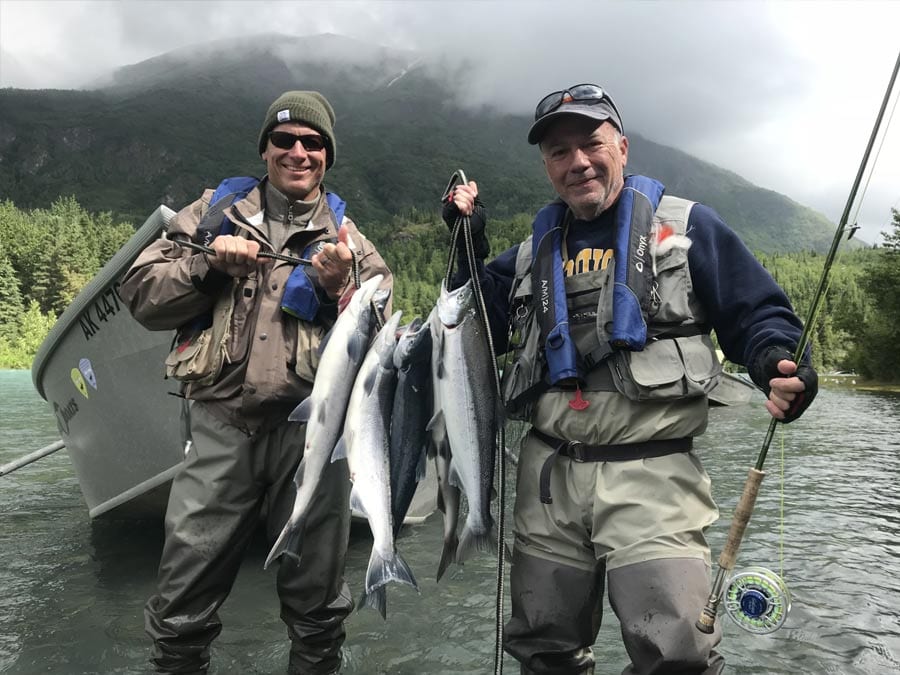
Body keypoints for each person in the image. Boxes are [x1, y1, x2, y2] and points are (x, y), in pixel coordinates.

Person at [443, 83, 817, 675]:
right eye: (559, 152)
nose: (578, 163)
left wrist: (777, 362)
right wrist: (468, 240)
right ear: (547, 165)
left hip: (653, 474)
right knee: (544, 651)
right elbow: (467, 327)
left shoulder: (691, 226)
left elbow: (760, 314)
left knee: (677, 655)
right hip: (547, 479)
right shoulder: (523, 256)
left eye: (590, 143)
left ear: (621, 145)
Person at [120, 90, 392, 675]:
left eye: (313, 143)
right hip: (221, 430)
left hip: (313, 442)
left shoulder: (354, 245)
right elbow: (140, 294)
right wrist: (205, 265)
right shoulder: (210, 216)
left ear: (327, 156)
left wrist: (339, 291)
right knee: (181, 601)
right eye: (285, 139)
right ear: (265, 149)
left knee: (319, 606)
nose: (299, 151)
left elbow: (384, 347)